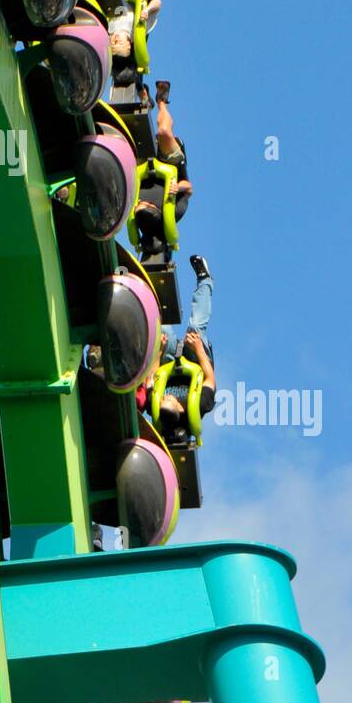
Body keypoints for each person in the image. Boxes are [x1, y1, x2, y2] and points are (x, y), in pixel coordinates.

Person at [153, 255, 216, 444]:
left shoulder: (158, 409)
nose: (168, 396)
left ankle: (153, 284)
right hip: (197, 360)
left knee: (159, 331)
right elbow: (210, 379)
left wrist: (160, 351)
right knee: (194, 328)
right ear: (180, 409)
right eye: (170, 399)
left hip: (170, 363)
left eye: (165, 399)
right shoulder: (199, 405)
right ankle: (205, 280)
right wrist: (198, 350)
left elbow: (152, 376)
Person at [133, 79, 193, 249]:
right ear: (154, 210)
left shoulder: (135, 204)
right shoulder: (174, 211)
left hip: (143, 168)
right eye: (145, 205)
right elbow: (189, 188)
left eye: (140, 205)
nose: (142, 204)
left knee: (133, 138)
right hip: (171, 163)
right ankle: (161, 102)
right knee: (164, 132)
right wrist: (178, 188)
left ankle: (145, 105)